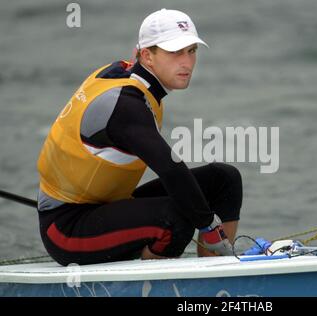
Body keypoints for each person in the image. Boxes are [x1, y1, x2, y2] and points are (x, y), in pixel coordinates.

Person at [36, 8, 242, 266]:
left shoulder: (130, 75)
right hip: (66, 229)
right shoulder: (126, 106)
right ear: (147, 55)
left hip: (105, 206)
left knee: (224, 179)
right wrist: (210, 226)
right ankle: (149, 285)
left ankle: (221, 267)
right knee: (176, 217)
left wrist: (209, 225)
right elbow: (171, 169)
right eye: (175, 52)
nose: (187, 62)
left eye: (191, 51)